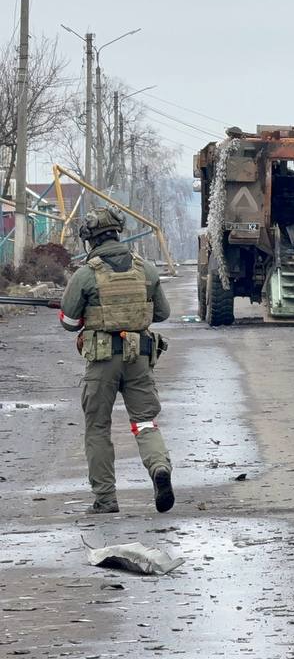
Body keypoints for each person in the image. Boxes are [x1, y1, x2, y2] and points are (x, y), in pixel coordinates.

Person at [59, 206, 175, 514]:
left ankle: (106, 499)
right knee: (144, 422)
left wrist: (88, 312)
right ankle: (159, 468)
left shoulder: (86, 274)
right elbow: (162, 313)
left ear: (91, 240)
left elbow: (69, 322)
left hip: (102, 362)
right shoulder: (146, 269)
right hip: (139, 358)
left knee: (98, 428)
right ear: (117, 234)